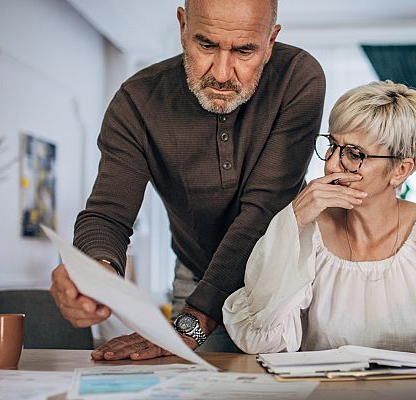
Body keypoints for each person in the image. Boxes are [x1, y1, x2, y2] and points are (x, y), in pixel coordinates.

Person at [49, 0, 325, 359]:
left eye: (244, 50)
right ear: (182, 26)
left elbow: (264, 209)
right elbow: (107, 213)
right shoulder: (137, 101)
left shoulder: (298, 78)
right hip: (195, 275)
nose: (223, 74)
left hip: (284, 280)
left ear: (271, 41)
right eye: (206, 45)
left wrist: (197, 318)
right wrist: (95, 272)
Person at [222, 81, 416, 354]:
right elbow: (260, 340)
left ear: (400, 170)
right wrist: (293, 220)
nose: (330, 165)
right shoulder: (308, 233)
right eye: (332, 145)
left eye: (354, 154)